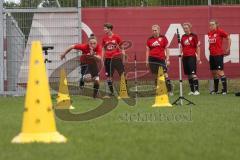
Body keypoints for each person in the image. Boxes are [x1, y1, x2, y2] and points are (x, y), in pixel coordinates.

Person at [60, 34, 102, 98]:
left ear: (97, 43)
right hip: (85, 63)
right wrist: (64, 54)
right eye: (91, 43)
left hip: (93, 64)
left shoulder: (98, 48)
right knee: (87, 79)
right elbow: (72, 46)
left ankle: (94, 95)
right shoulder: (84, 46)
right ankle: (82, 79)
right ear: (88, 43)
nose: (92, 45)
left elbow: (99, 58)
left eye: (94, 43)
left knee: (97, 81)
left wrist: (93, 55)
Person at [146, 24, 173, 95]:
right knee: (155, 75)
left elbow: (167, 49)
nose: (154, 32)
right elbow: (147, 50)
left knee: (165, 74)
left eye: (155, 30)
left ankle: (170, 91)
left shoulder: (163, 38)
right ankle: (158, 91)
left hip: (161, 59)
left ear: (159, 30)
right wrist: (146, 60)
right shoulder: (149, 39)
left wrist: (168, 59)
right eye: (153, 30)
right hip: (152, 59)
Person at [102, 23, 126, 96]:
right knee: (109, 77)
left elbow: (122, 47)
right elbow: (103, 49)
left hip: (117, 59)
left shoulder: (117, 37)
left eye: (105, 28)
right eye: (104, 28)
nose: (104, 30)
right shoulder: (104, 38)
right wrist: (102, 58)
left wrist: (124, 56)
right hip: (108, 60)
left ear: (109, 29)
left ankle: (124, 92)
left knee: (122, 75)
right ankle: (111, 92)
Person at [208, 19, 231, 95]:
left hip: (218, 54)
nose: (211, 26)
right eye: (210, 25)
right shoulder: (209, 33)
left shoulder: (220, 31)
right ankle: (216, 90)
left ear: (216, 25)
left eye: (213, 24)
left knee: (220, 71)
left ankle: (225, 90)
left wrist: (228, 48)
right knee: (214, 72)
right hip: (212, 55)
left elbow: (228, 38)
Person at [180, 22, 201, 95]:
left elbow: (197, 47)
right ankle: (192, 90)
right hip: (185, 57)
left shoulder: (194, 36)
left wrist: (198, 57)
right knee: (188, 74)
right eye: (184, 28)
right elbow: (182, 47)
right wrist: (180, 54)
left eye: (186, 28)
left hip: (191, 56)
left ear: (189, 28)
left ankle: (197, 90)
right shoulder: (183, 36)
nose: (185, 29)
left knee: (193, 74)